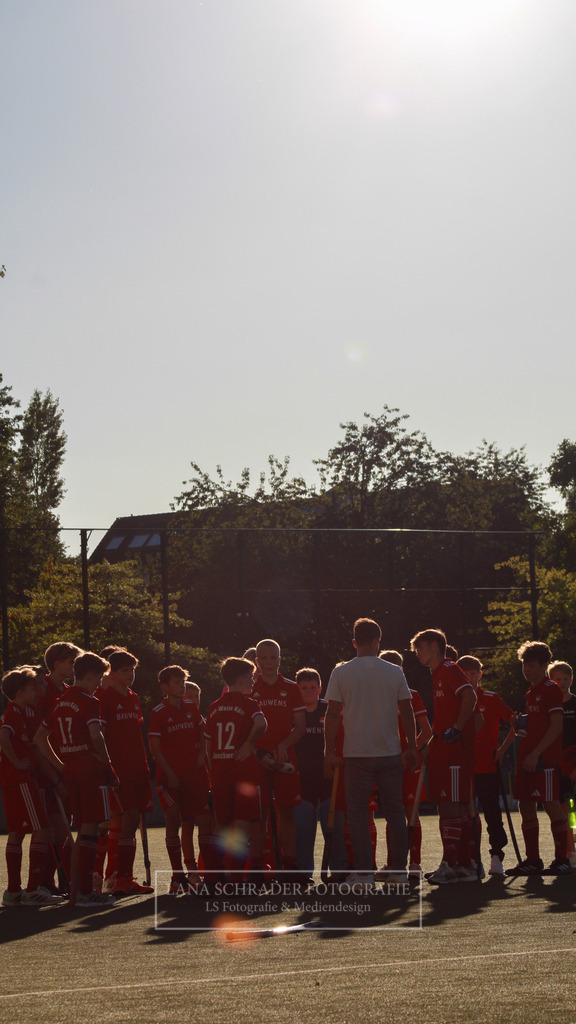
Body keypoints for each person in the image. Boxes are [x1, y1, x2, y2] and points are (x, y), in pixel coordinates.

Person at [324, 618, 417, 890]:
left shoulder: (341, 672)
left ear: (354, 642)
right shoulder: (394, 671)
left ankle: (364, 874)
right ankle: (399, 871)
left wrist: (329, 751)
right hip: (389, 752)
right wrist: (411, 745)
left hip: (356, 755)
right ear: (378, 642)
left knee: (358, 815)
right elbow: (407, 710)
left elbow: (331, 715)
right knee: (394, 813)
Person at [34, 652, 117, 907]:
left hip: (71, 772)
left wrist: (60, 765)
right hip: (90, 771)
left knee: (79, 833)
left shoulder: (60, 701)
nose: (100, 684)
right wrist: (107, 763)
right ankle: (83, 893)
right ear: (90, 676)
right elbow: (95, 735)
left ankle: (74, 893)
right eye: (99, 678)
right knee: (90, 830)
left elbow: (39, 738)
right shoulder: (89, 701)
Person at [410, 629, 478, 884]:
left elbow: (469, 696)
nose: (418, 654)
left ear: (436, 645)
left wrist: (457, 729)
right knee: (450, 804)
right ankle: (464, 863)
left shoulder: (449, 669)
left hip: (455, 751)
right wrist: (432, 741)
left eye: (421, 648)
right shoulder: (438, 673)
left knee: (451, 804)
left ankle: (453, 864)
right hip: (444, 748)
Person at [501, 642, 569, 876]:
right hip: (528, 759)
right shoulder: (532, 691)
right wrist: (521, 724)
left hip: (543, 760)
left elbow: (556, 726)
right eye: (524, 665)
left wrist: (536, 753)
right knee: (525, 804)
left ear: (543, 665)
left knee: (551, 804)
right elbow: (537, 725)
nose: (526, 670)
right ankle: (532, 860)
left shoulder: (550, 688)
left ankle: (562, 859)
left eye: (530, 665)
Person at [0, 667, 64, 907]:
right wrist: (17, 762)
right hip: (21, 780)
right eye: (30, 689)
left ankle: (13, 891)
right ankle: (33, 889)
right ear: (19, 693)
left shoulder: (20, 711)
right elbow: (3, 737)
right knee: (43, 830)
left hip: (14, 781)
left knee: (17, 833)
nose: (36, 692)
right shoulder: (15, 712)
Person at [148, 665, 212, 893]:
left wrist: (201, 756)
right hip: (171, 780)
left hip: (195, 777)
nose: (182, 686)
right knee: (174, 820)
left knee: (204, 820)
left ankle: (205, 873)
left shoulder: (190, 707)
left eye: (183, 682)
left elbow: (203, 733)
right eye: (177, 682)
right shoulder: (158, 711)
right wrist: (170, 774)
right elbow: (155, 748)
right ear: (165, 687)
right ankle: (178, 876)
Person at [204, 657, 267, 878]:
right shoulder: (249, 704)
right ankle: (237, 878)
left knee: (221, 826)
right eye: (250, 677)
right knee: (241, 826)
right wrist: (249, 743)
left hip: (221, 774)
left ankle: (212, 878)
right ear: (241, 679)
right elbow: (261, 723)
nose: (253, 681)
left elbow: (208, 744)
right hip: (243, 774)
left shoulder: (214, 706)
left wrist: (213, 769)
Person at [98, 649, 154, 895]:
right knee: (128, 819)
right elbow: (100, 735)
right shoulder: (104, 698)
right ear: (112, 672)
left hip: (137, 768)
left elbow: (136, 734)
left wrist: (144, 764)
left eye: (132, 670)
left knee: (134, 820)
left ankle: (124, 877)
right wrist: (108, 766)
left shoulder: (133, 697)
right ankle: (120, 877)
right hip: (118, 770)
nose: (130, 675)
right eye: (124, 670)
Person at [251, 639, 306, 877]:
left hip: (286, 759)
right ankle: (258, 867)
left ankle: (290, 865)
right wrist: (259, 753)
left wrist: (284, 744)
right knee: (259, 815)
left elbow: (300, 727)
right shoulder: (250, 689)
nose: (268, 663)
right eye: (263, 658)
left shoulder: (292, 688)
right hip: (257, 761)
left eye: (273, 657)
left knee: (286, 812)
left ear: (280, 660)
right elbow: (245, 730)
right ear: (256, 662)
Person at [457, 655, 514, 876]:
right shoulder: (457, 701)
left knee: (492, 813)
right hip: (465, 768)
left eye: (473, 674)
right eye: (465, 675)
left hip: (488, 767)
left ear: (479, 675)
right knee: (467, 815)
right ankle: (470, 858)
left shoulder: (490, 698)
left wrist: (500, 750)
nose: (470, 679)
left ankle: (496, 855)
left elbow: (515, 722)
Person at [377, 650, 432, 876]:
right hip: (386, 763)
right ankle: (393, 863)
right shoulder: (376, 697)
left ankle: (415, 863)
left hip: (408, 763)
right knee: (392, 812)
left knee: (411, 811)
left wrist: (410, 750)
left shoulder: (412, 694)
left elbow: (427, 731)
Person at [293, 667, 347, 880]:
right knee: (303, 830)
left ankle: (339, 869)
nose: (308, 692)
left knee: (333, 827)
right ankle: (303, 871)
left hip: (328, 779)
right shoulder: (293, 711)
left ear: (320, 689)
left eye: (312, 687)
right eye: (303, 688)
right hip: (301, 780)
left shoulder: (329, 710)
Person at [549, 660, 576, 867]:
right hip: (556, 764)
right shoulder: (549, 705)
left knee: (573, 808)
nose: (562, 682)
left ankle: (572, 845)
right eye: (557, 679)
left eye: (565, 678)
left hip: (573, 762)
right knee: (562, 807)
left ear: (571, 680)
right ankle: (568, 849)